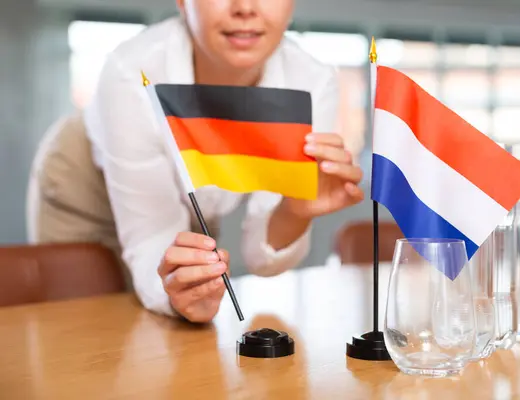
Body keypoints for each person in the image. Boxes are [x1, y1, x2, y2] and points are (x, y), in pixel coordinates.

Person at [77, 0, 365, 323]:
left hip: (197, 198)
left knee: (194, 288)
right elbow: (150, 237)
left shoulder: (311, 81)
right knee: (89, 322)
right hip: (88, 188)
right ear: (183, 3)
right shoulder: (133, 70)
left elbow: (261, 261)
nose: (245, 7)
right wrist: (176, 297)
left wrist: (294, 210)